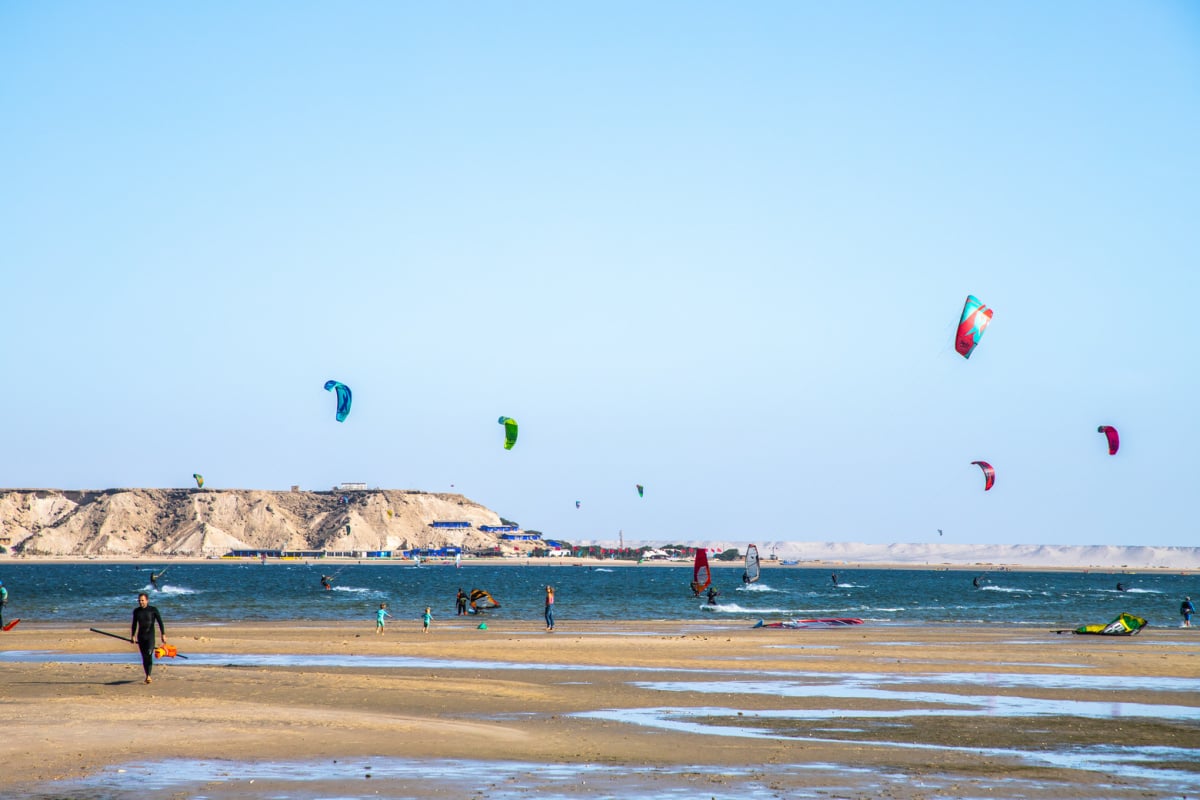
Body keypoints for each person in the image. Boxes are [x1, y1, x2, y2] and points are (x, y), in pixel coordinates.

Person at [130, 592, 166, 684]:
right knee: (144, 657)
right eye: (139, 600)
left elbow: (160, 622)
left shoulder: (153, 610)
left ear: (147, 600)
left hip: (150, 636)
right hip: (141, 636)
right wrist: (133, 635)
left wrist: (163, 634)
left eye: (142, 600)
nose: (141, 602)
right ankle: (147, 675)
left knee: (149, 654)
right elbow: (134, 624)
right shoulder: (136, 611)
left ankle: (149, 675)